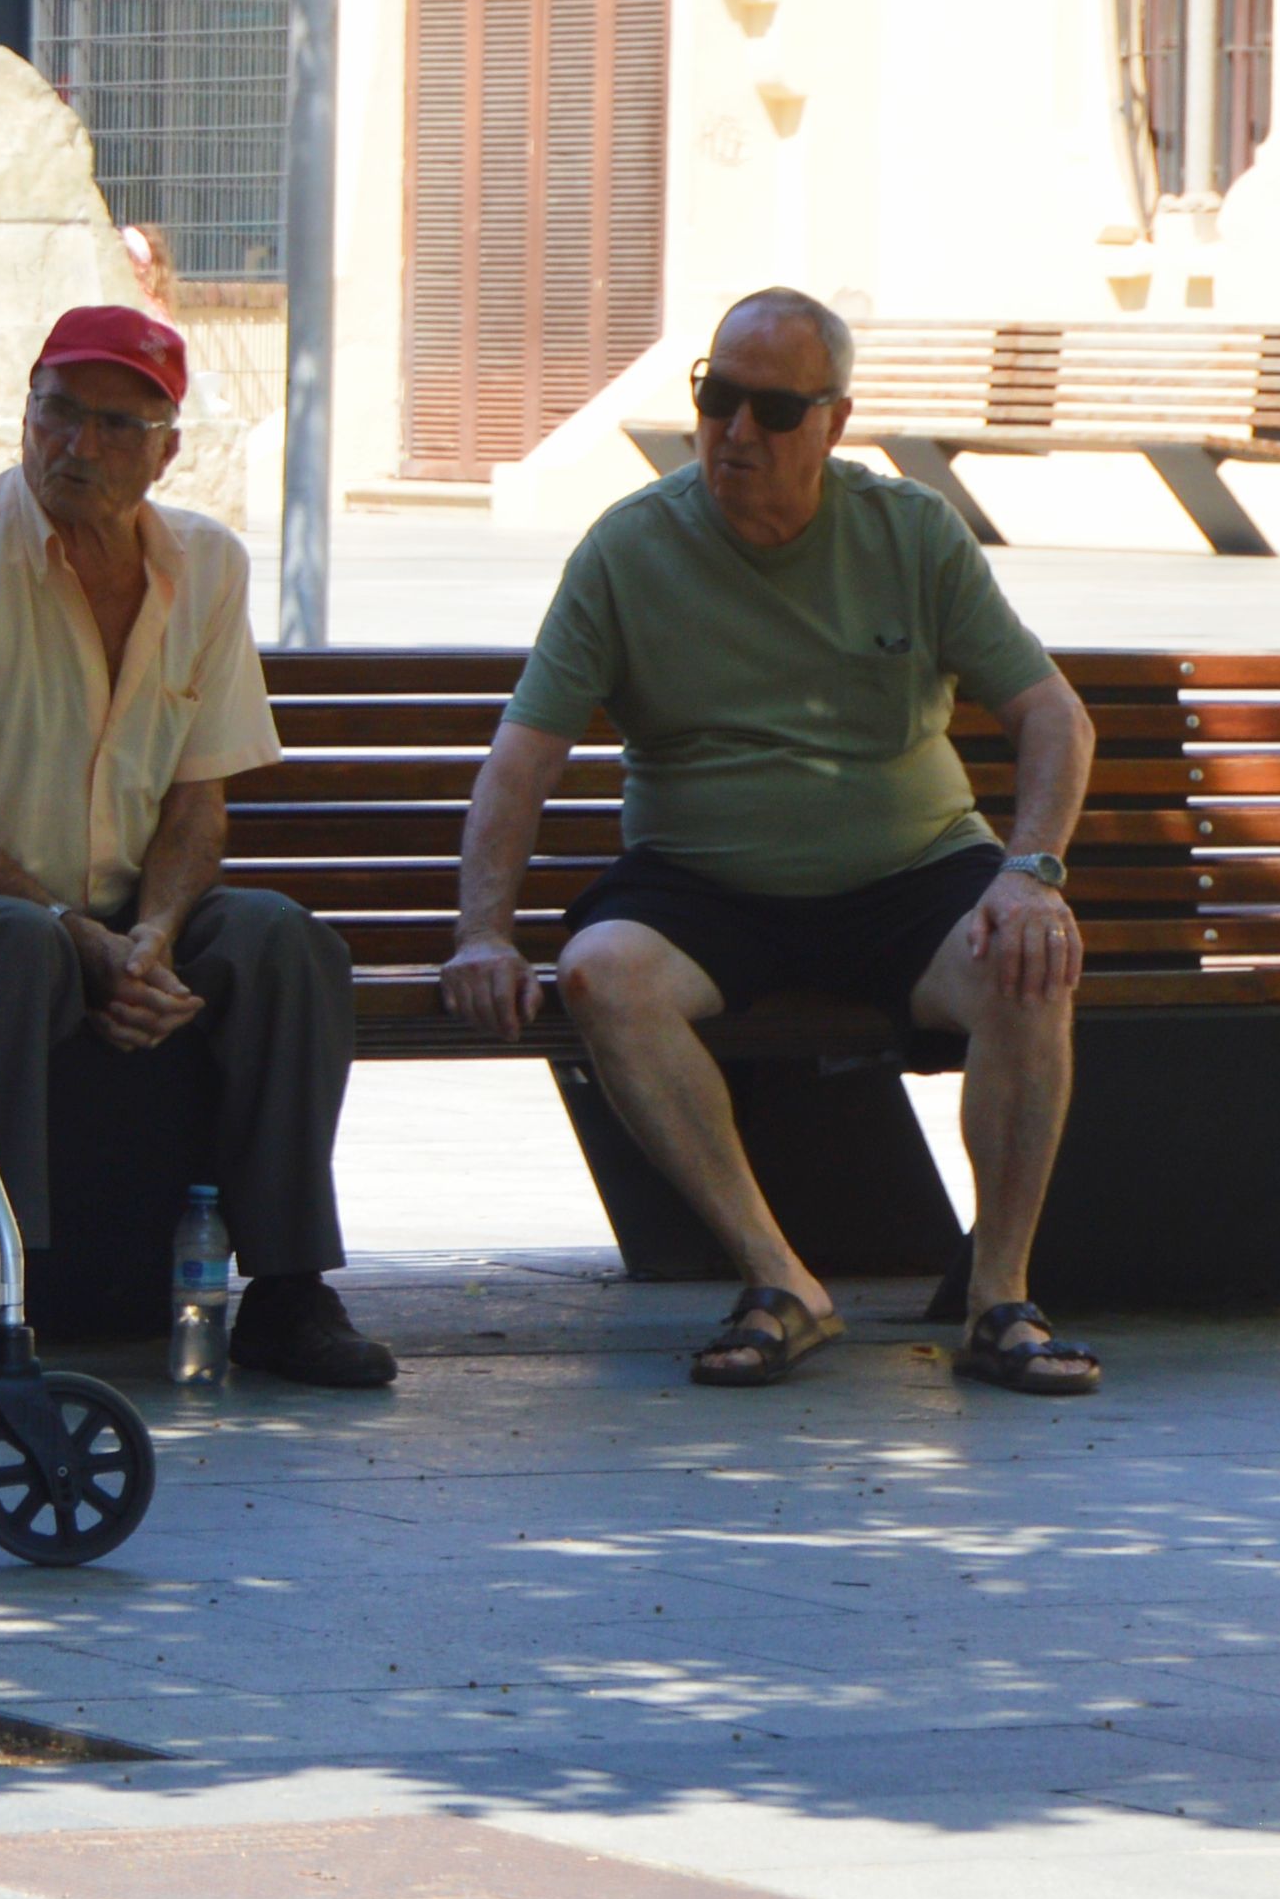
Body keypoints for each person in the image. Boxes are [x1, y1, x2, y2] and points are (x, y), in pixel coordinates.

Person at [445, 287, 1105, 1396]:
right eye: (718, 398)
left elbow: (1052, 715)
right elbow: (524, 756)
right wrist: (481, 932)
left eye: (773, 410)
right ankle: (779, 1280)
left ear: (834, 421)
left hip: (911, 869)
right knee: (603, 972)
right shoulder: (629, 548)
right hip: (704, 883)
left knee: (1029, 962)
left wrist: (1031, 871)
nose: (736, 433)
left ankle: (999, 1298)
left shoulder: (908, 530)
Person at [0, 305, 391, 1392]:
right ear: (25, 414)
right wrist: (78, 936)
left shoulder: (205, 563)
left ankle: (289, 1291)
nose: (77, 447)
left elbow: (199, 801)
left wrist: (147, 936)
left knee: (282, 944)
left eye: (115, 426)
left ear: (168, 449)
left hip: (128, 909)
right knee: (13, 950)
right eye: (57, 413)